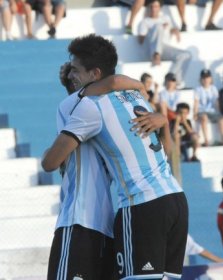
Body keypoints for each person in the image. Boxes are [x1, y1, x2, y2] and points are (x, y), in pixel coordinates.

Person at [42, 34, 188, 280]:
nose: (70, 74)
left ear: (95, 74)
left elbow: (50, 163)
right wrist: (159, 114)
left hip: (100, 215)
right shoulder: (134, 98)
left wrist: (50, 152)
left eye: (75, 70)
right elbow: (118, 82)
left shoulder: (83, 106)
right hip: (172, 199)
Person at [137, 0, 191, 87]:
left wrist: (175, 30)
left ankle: (172, 78)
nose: (154, 9)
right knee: (158, 26)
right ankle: (156, 54)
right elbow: (140, 41)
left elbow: (171, 29)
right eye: (152, 7)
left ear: (159, 8)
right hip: (151, 49)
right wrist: (152, 31)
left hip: (165, 48)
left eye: (156, 6)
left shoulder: (165, 18)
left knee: (186, 55)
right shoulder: (145, 22)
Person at [193, 69, 223, 147]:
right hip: (202, 111)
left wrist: (220, 112)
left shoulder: (213, 88)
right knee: (204, 118)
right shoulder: (198, 89)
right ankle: (206, 140)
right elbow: (196, 102)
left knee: (221, 119)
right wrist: (195, 113)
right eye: (204, 78)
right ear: (201, 79)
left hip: (212, 111)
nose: (205, 80)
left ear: (210, 78)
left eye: (207, 77)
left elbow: (216, 102)